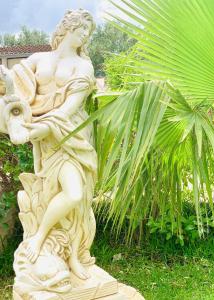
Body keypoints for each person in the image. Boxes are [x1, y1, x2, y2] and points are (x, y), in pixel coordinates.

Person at [11, 9, 97, 280]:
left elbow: (70, 109)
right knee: (50, 194)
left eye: (88, 32)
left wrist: (39, 129)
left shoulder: (84, 66)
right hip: (45, 140)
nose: (85, 35)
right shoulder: (37, 59)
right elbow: (15, 94)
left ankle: (55, 245)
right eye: (82, 29)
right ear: (69, 27)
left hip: (71, 136)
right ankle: (58, 253)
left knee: (75, 197)